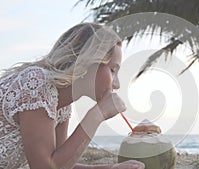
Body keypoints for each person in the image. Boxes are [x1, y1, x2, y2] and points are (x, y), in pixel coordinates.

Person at [0, 23, 145, 169]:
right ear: (90, 63)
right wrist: (97, 115)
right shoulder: (36, 83)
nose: (116, 84)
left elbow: (61, 164)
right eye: (113, 70)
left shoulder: (61, 102)